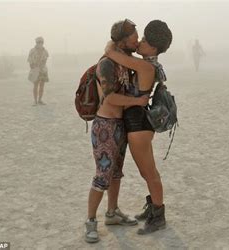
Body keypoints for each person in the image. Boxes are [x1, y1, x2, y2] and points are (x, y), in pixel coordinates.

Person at [104, 19, 172, 235]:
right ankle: (153, 206)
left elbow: (112, 53)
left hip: (138, 125)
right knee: (147, 172)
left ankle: (158, 215)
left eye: (143, 40)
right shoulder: (151, 64)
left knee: (149, 172)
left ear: (152, 47)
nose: (139, 42)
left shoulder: (145, 66)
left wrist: (110, 45)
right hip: (139, 123)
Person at [85, 19, 148, 243]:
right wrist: (138, 101)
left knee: (116, 173)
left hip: (121, 125)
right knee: (102, 175)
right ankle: (91, 222)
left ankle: (112, 213)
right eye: (134, 36)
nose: (137, 39)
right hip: (105, 126)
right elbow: (110, 97)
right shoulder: (107, 64)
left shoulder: (126, 60)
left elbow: (146, 62)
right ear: (122, 39)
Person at [27, 37, 49, 105]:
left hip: (43, 70)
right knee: (35, 85)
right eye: (38, 42)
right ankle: (35, 101)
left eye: (41, 42)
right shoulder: (32, 51)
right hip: (35, 70)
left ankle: (40, 100)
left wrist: (42, 65)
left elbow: (45, 60)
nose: (40, 43)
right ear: (36, 43)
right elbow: (29, 61)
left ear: (43, 42)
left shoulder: (45, 51)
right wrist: (34, 66)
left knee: (42, 86)